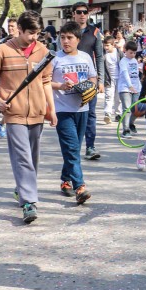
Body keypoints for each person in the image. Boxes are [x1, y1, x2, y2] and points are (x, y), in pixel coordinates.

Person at [0, 10, 56, 223]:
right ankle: (29, 203)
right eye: (30, 33)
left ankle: (21, 188)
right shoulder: (2, 50)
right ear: (19, 30)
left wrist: (52, 109)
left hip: (37, 112)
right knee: (22, 157)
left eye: (38, 33)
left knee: (33, 157)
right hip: (13, 113)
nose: (34, 37)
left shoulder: (42, 50)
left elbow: (46, 81)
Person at [50, 22, 96, 205]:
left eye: (69, 38)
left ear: (78, 39)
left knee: (74, 149)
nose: (65, 41)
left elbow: (93, 77)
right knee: (71, 148)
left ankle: (65, 179)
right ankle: (80, 187)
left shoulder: (85, 57)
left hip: (82, 109)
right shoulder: (54, 58)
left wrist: (89, 87)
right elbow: (43, 81)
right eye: (62, 37)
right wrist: (60, 86)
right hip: (62, 110)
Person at [71, 2, 105, 161]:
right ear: (73, 14)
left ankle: (90, 147)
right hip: (71, 79)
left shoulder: (95, 32)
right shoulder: (68, 31)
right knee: (73, 114)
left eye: (85, 12)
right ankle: (74, 146)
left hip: (89, 79)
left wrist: (100, 80)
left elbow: (99, 57)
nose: (82, 14)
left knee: (90, 114)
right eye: (79, 12)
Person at [117, 41, 141, 138]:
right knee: (126, 109)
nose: (133, 55)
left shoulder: (134, 61)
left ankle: (131, 124)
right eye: (131, 52)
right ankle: (125, 130)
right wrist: (130, 85)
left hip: (136, 88)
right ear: (125, 51)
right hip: (125, 88)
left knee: (136, 109)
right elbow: (125, 73)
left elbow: (136, 75)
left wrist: (139, 86)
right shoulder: (123, 61)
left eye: (134, 53)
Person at [102, 36, 120, 124]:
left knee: (118, 97)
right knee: (109, 96)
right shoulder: (103, 55)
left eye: (107, 45)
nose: (106, 47)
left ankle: (118, 114)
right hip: (109, 79)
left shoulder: (119, 53)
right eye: (104, 45)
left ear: (113, 45)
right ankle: (107, 114)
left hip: (119, 78)